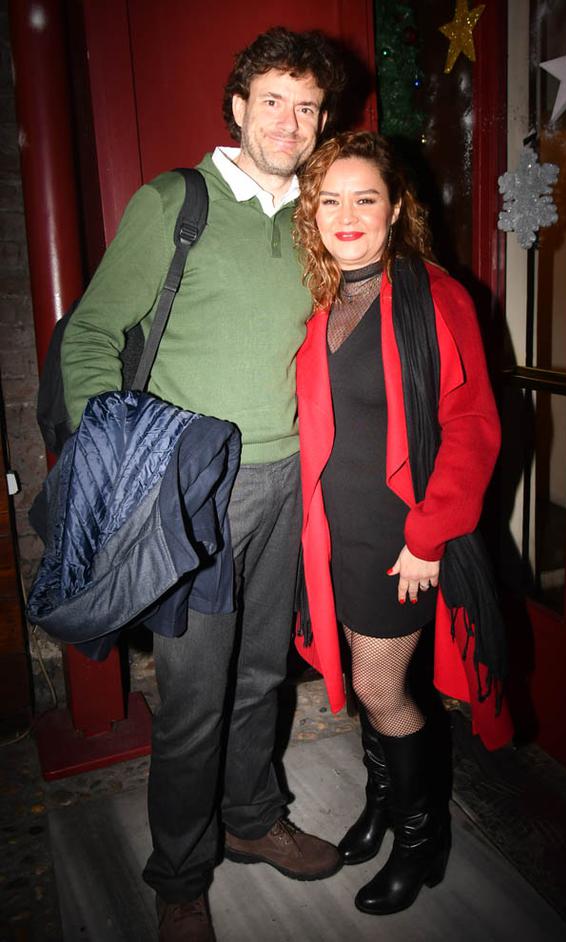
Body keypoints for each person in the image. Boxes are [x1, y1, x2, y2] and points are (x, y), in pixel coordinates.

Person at [61, 27, 346, 942]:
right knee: (193, 695)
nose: (289, 123)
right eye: (273, 101)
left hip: (288, 480)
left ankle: (253, 819)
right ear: (237, 107)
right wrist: (115, 452)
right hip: (192, 491)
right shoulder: (173, 202)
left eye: (307, 108)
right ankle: (180, 874)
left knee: (263, 673)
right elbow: (93, 333)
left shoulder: (317, 218)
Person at [292, 131, 513, 916]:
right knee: (364, 677)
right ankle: (383, 805)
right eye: (330, 200)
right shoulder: (324, 300)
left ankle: (424, 840)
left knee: (380, 686)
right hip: (339, 534)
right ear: (312, 213)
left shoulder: (432, 295)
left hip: (402, 539)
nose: (347, 215)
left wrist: (429, 536)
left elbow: (472, 423)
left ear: (394, 210)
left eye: (366, 198)